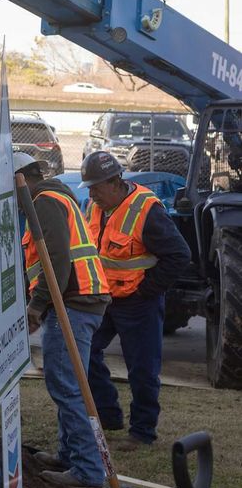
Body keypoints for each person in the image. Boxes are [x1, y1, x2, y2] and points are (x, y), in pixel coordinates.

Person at [81, 151, 191, 451]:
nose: (91, 194)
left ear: (116, 182)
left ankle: (142, 432)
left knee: (142, 368)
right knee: (84, 352)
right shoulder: (93, 206)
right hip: (104, 299)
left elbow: (180, 256)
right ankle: (108, 413)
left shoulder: (147, 211)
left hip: (138, 303)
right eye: (88, 188)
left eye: (96, 187)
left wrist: (147, 290)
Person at [15, 153, 112, 488]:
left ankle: (87, 469)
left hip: (72, 302)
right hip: (80, 301)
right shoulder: (57, 197)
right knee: (70, 382)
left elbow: (55, 259)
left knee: (67, 386)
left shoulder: (43, 202)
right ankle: (70, 454)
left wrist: (37, 305)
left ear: (21, 179)